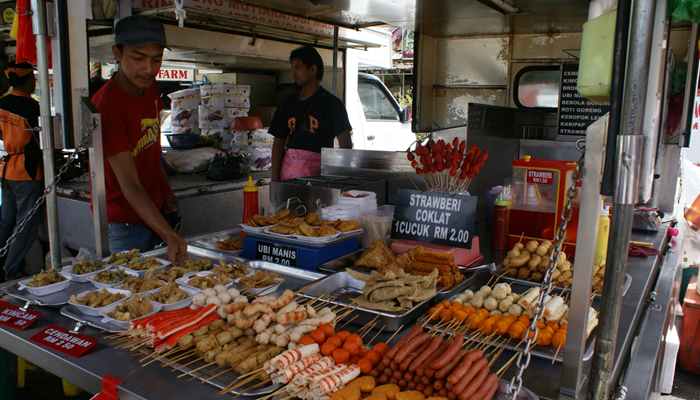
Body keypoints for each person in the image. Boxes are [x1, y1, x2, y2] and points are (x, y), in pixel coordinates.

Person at [91, 16, 186, 263]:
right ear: (117, 53)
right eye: (138, 58)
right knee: (132, 294)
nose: (148, 69)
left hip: (154, 212)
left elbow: (151, 151)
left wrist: (164, 192)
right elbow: (130, 184)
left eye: (156, 59)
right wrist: (168, 234)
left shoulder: (150, 89)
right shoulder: (107, 106)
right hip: (123, 222)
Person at [269, 46, 352, 181]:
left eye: (298, 68)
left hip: (320, 179)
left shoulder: (332, 104)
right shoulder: (287, 103)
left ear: (313, 69)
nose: (293, 73)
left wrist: (343, 180)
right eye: (292, 68)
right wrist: (274, 180)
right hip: (288, 178)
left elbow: (346, 144)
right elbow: (278, 142)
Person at [0, 62, 42, 280]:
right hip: (26, 171)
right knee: (26, 225)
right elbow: (40, 141)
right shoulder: (31, 107)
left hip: (5, 168)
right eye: (33, 78)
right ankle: (10, 270)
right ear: (26, 81)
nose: (35, 81)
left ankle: (2, 265)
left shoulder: (2, 103)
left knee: (6, 220)